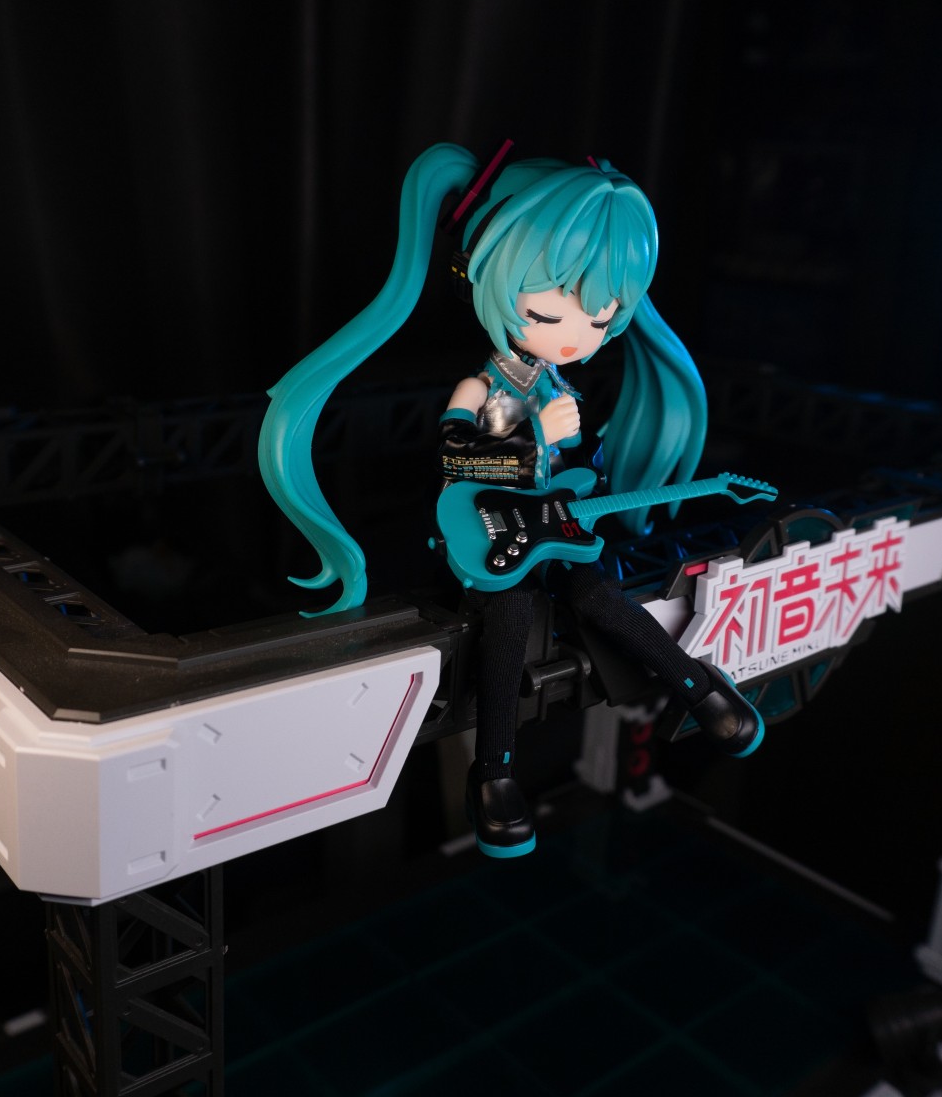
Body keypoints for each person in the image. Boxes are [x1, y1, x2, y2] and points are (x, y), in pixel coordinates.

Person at [260, 143, 763, 859]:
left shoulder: (559, 384)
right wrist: (536, 440)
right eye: (550, 313)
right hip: (490, 532)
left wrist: (581, 462)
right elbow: (455, 455)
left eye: (601, 318)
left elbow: (568, 474)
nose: (579, 336)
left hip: (550, 526)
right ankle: (494, 773)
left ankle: (698, 686)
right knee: (508, 624)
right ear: (486, 277)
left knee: (600, 595)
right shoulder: (483, 386)